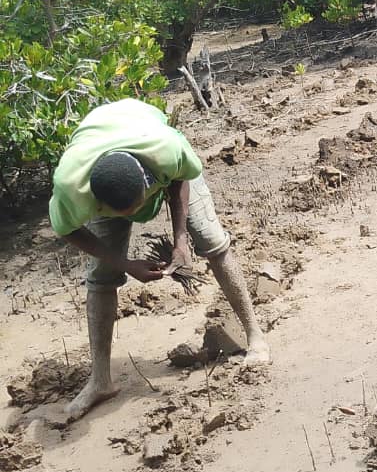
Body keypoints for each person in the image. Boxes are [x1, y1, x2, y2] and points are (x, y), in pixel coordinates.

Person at [49, 98, 270, 421]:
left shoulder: (166, 151)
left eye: (138, 207)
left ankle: (255, 336)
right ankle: (100, 380)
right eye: (123, 214)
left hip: (145, 136)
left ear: (149, 182)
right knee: (100, 277)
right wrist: (125, 265)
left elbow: (181, 178)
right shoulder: (72, 188)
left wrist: (181, 241)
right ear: (96, 202)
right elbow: (65, 229)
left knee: (212, 241)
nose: (136, 217)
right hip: (100, 151)